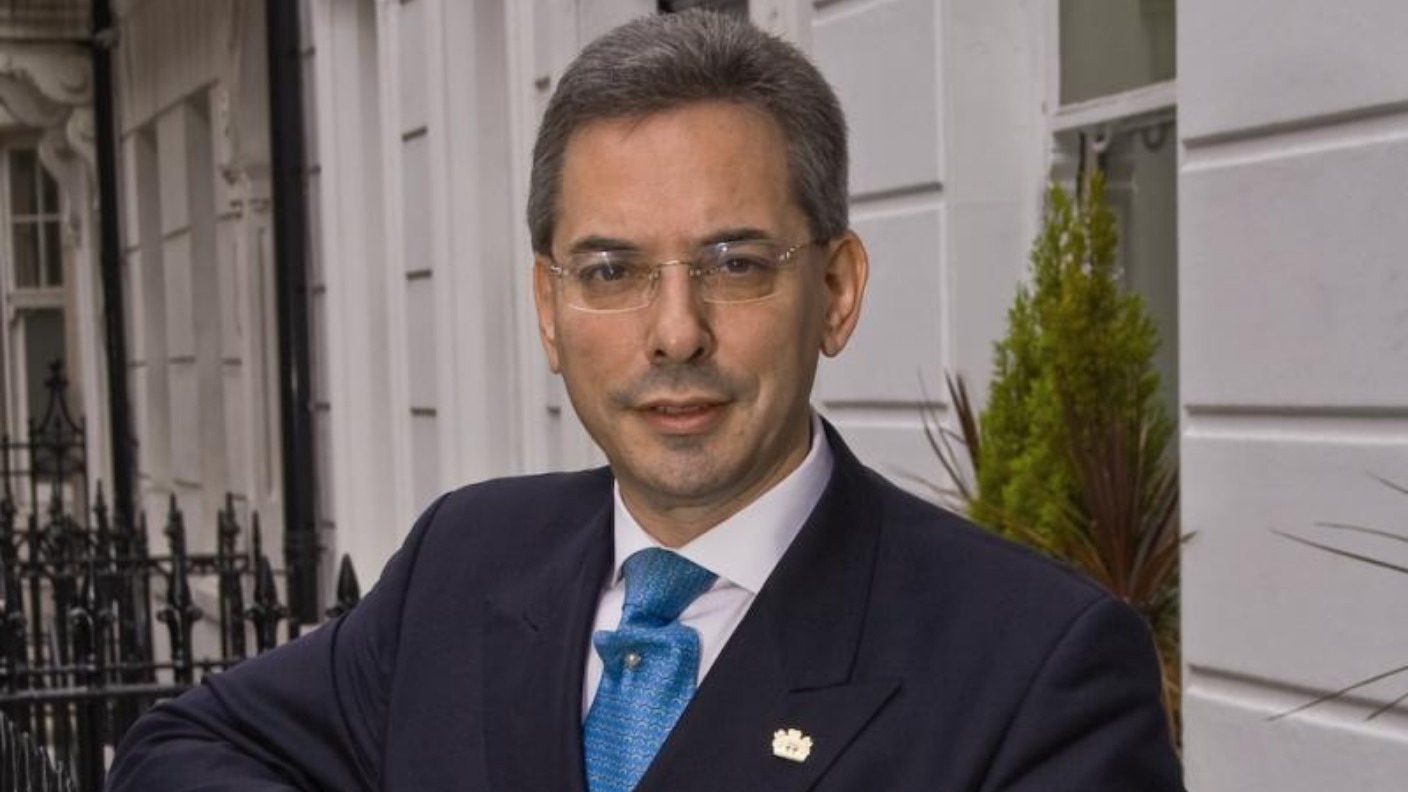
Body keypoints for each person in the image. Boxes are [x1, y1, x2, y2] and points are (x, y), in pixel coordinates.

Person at [108, 10, 1184, 792]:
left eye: (735, 263)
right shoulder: (465, 560)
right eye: (611, 270)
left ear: (837, 291)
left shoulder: (1036, 665)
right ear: (549, 308)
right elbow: (178, 752)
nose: (675, 332)